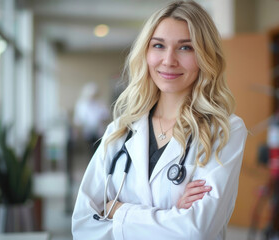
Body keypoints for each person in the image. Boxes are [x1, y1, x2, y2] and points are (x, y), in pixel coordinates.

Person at [72, 1, 248, 239]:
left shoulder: (224, 130)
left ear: (205, 56)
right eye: (158, 45)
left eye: (185, 48)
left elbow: (195, 230)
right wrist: (172, 214)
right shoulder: (121, 131)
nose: (168, 60)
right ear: (146, 52)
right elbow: (83, 225)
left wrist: (118, 210)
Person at [73, 82, 110, 148]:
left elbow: (106, 116)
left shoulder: (101, 103)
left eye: (94, 95)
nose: (92, 97)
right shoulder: (82, 104)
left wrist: (101, 120)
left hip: (99, 131)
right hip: (87, 131)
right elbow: (78, 120)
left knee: (98, 146)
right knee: (90, 147)